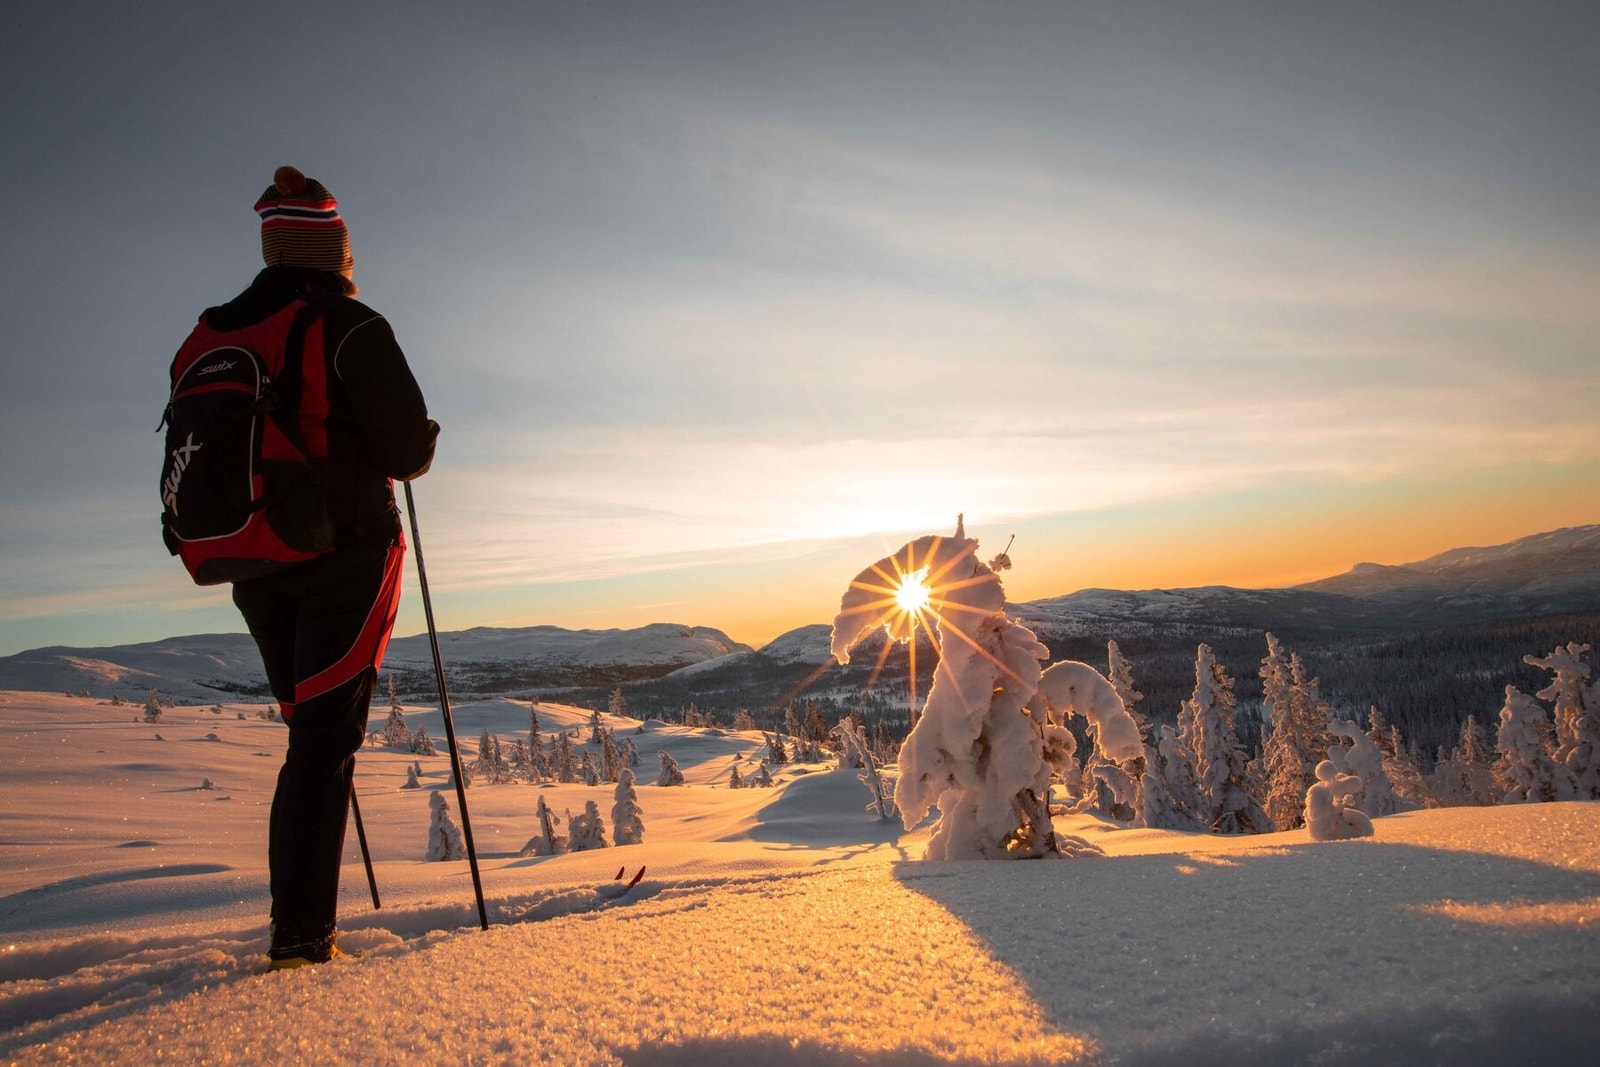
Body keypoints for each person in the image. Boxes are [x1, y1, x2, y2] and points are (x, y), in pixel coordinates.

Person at [185, 166, 438, 968]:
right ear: (333, 247)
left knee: (309, 736)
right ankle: (300, 940)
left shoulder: (209, 336)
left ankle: (298, 924)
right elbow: (406, 451)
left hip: (252, 559)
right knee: (324, 742)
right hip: (345, 552)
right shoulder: (349, 324)